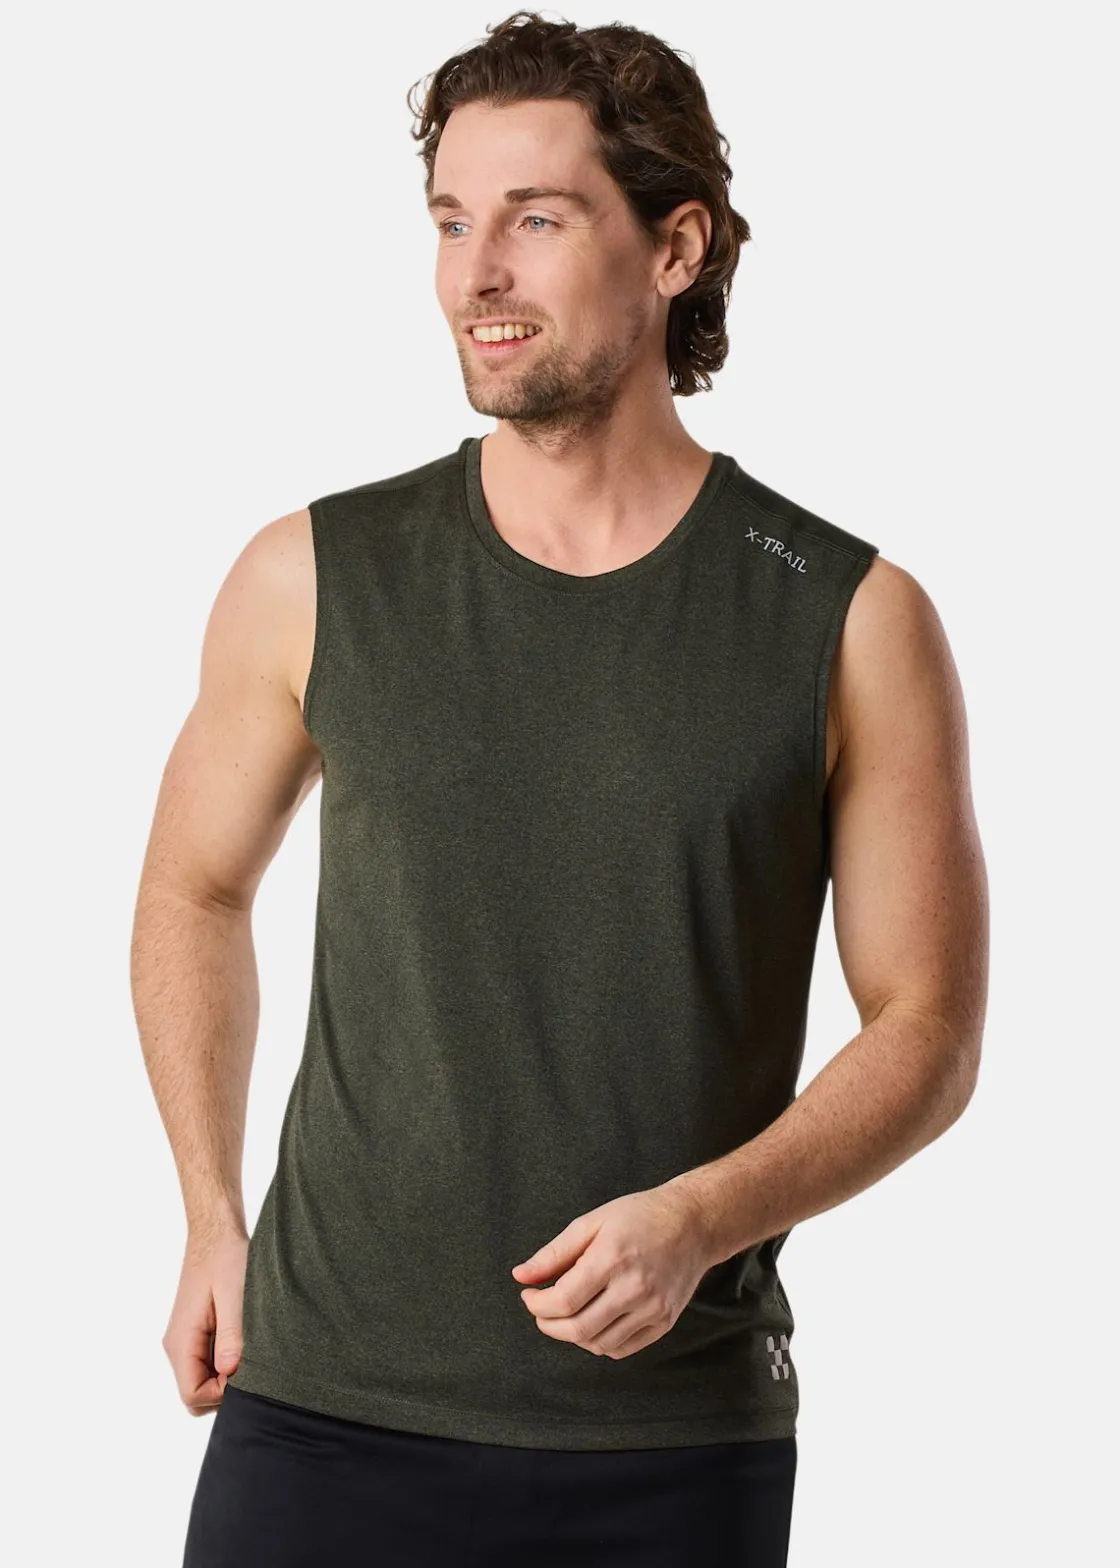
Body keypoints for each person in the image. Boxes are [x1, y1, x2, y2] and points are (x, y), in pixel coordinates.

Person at [131, 13, 989, 1567]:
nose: (478, 274)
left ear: (677, 247)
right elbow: (195, 887)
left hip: (669, 1444)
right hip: (319, 1413)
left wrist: (706, 1217)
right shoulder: (313, 576)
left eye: (536, 219)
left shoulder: (849, 619)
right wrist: (208, 1210)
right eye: (452, 221)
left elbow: (926, 1030)